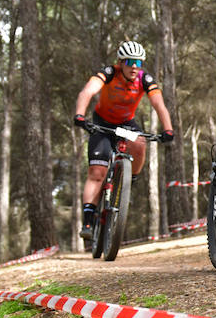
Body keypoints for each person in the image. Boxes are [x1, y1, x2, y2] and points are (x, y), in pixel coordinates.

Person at [72, 41, 175, 240]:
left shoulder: (145, 79)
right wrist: (79, 115)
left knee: (138, 143)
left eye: (138, 62)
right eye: (129, 61)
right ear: (121, 63)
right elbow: (87, 92)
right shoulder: (109, 73)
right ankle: (87, 219)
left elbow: (159, 104)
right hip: (102, 125)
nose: (134, 66)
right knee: (97, 172)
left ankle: (130, 179)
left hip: (125, 126)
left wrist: (168, 129)